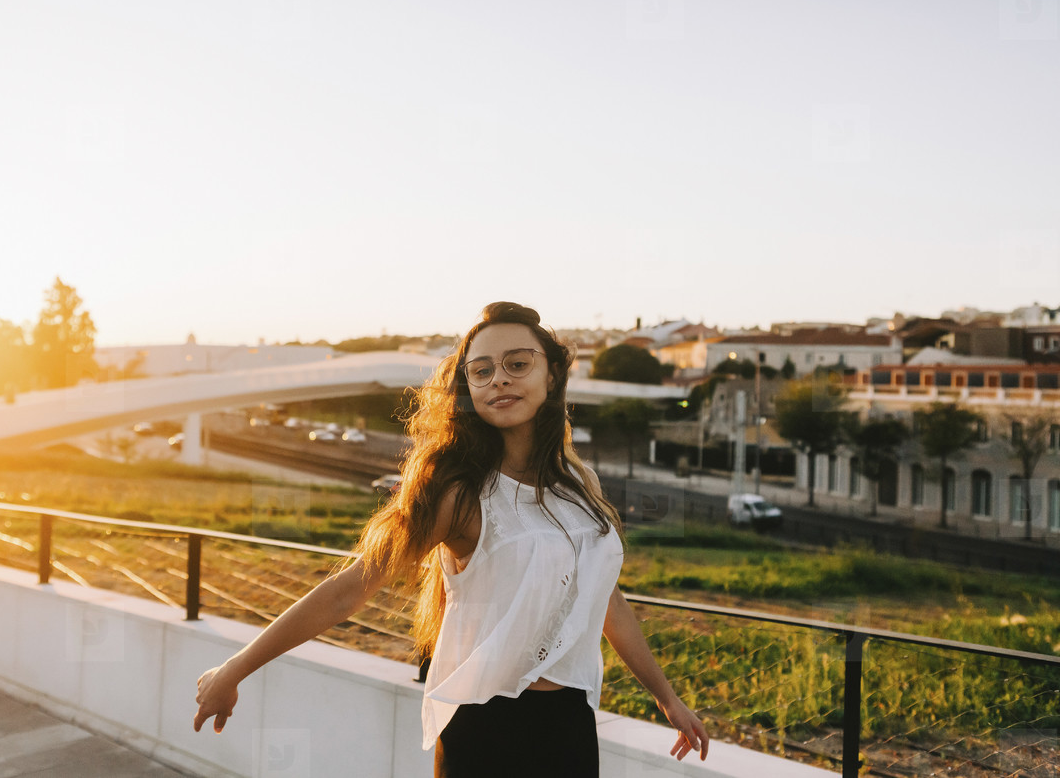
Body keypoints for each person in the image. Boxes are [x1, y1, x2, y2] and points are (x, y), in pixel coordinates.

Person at [194, 302, 709, 777]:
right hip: (485, 731)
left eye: (517, 363)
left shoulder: (579, 487)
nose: (499, 380)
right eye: (481, 370)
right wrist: (235, 668)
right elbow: (351, 587)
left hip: (570, 725)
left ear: (551, 375)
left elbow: (604, 599)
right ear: (466, 388)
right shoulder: (459, 494)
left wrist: (667, 699)